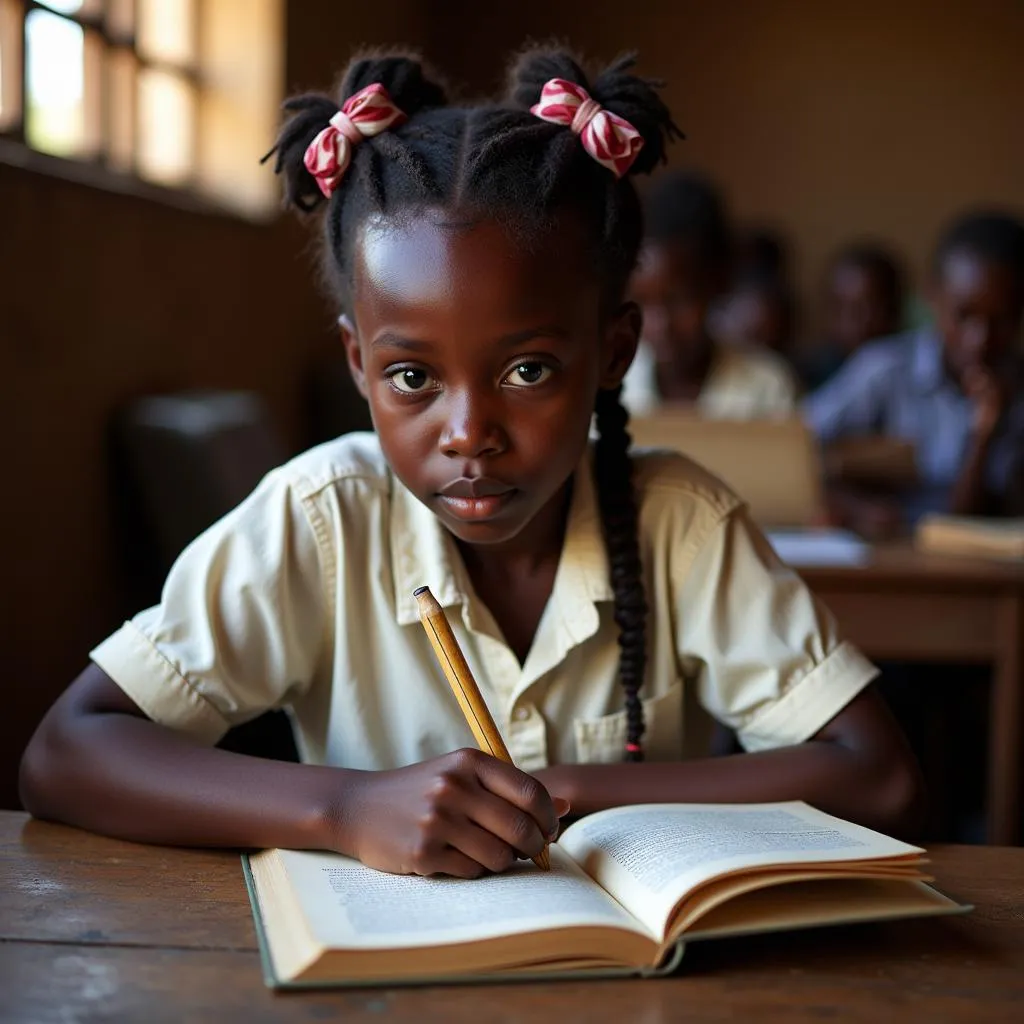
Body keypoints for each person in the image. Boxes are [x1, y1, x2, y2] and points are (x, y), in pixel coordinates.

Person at [20, 48, 923, 878]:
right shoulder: (321, 518)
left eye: (528, 370)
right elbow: (66, 753)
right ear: (358, 365)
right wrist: (342, 808)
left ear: (613, 353)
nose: (468, 433)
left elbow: (879, 777)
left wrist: (561, 796)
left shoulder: (678, 523)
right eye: (412, 375)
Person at [805, 212, 1024, 531]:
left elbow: (967, 522)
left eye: (1002, 321)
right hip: (887, 562)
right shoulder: (885, 368)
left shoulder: (1016, 394)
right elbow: (795, 448)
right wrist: (856, 507)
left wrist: (984, 436)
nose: (980, 339)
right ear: (931, 296)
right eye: (963, 316)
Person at [622, 171, 798, 419]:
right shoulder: (613, 385)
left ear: (717, 284)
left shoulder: (767, 387)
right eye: (642, 302)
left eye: (679, 301)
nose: (660, 324)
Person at [801, 243, 905, 391]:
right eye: (837, 308)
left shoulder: (913, 377)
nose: (848, 320)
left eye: (862, 308)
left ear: (893, 310)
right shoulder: (809, 375)